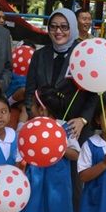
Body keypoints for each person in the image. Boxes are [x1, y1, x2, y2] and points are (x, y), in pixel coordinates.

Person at [18, 86, 79, 212]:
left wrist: (59, 146)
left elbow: (75, 154)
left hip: (56, 179)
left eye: (33, 106)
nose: (31, 110)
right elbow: (21, 149)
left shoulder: (64, 127)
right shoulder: (30, 126)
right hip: (34, 176)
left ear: (42, 109)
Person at [25, 8, 95, 141]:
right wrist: (34, 116)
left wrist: (83, 120)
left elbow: (94, 94)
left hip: (75, 129)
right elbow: (30, 91)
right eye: (53, 27)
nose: (58, 31)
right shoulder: (40, 55)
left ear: (73, 28)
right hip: (43, 127)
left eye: (64, 27)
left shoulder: (84, 54)